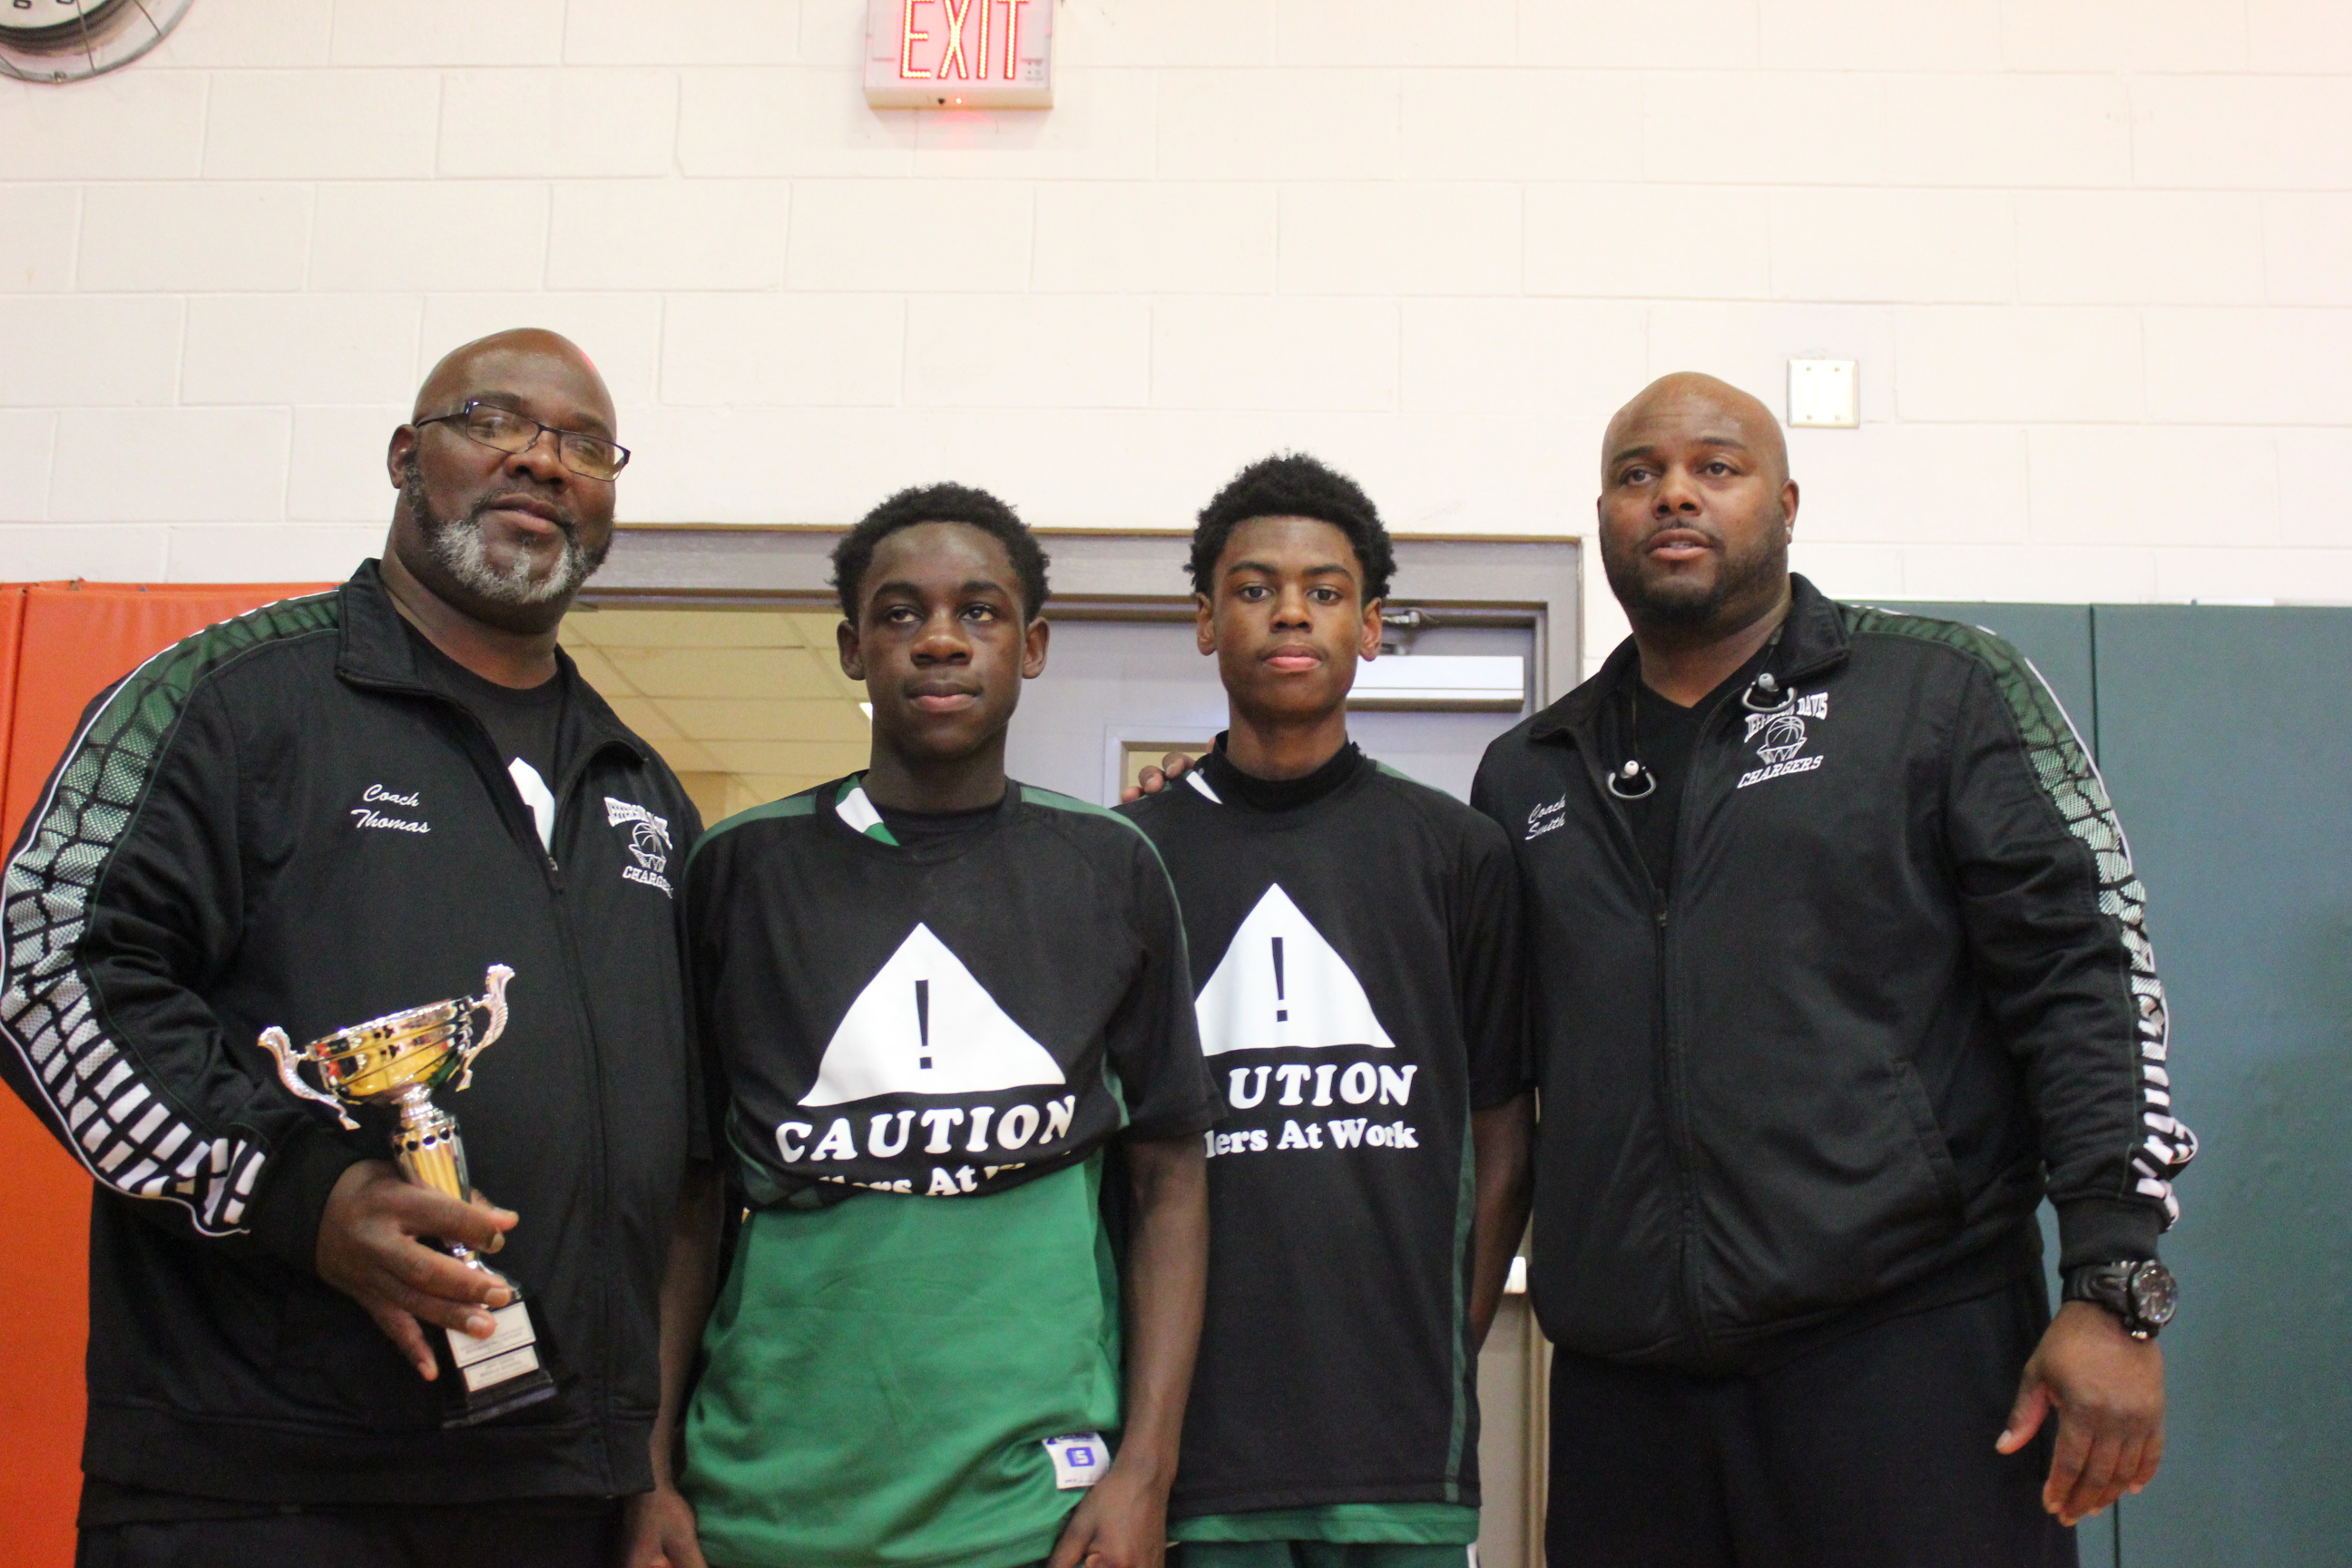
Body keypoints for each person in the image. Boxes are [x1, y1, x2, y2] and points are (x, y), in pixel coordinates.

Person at [0, 328, 712, 1568]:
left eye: (585, 446)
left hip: (559, 1496)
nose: (541, 461)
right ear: (403, 457)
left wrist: (646, 1464)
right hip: (261, 1488)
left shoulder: (640, 787)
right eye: (492, 421)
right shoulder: (234, 695)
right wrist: (298, 1195)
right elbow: (43, 961)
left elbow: (684, 1164)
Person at [1468, 373, 2195, 1567]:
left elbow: (2087, 981)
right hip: (1624, 1405)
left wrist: (2113, 1286)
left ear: (1787, 504)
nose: (1674, 495)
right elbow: (1486, 1077)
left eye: (1716, 467)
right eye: (1639, 475)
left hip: (1904, 1362)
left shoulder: (1938, 691)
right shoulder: (1531, 770)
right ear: (1603, 516)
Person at [632, 484, 1215, 1568]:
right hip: (762, 1505)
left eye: (978, 612)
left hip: (1032, 1513)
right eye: (901, 613)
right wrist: (651, 1473)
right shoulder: (742, 870)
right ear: (853, 649)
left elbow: (1170, 1180)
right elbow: (687, 1197)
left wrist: (1146, 1472)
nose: (940, 639)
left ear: (1031, 646)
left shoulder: (1109, 867)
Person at [1115, 456, 1533, 1568]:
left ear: (1372, 626)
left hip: (1397, 1447)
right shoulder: (1127, 860)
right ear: (1206, 622)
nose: (1291, 612)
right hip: (1193, 1452)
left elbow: (1504, 1136)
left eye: (1325, 590)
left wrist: (1444, 1343)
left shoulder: (1459, 853)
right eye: (1254, 589)